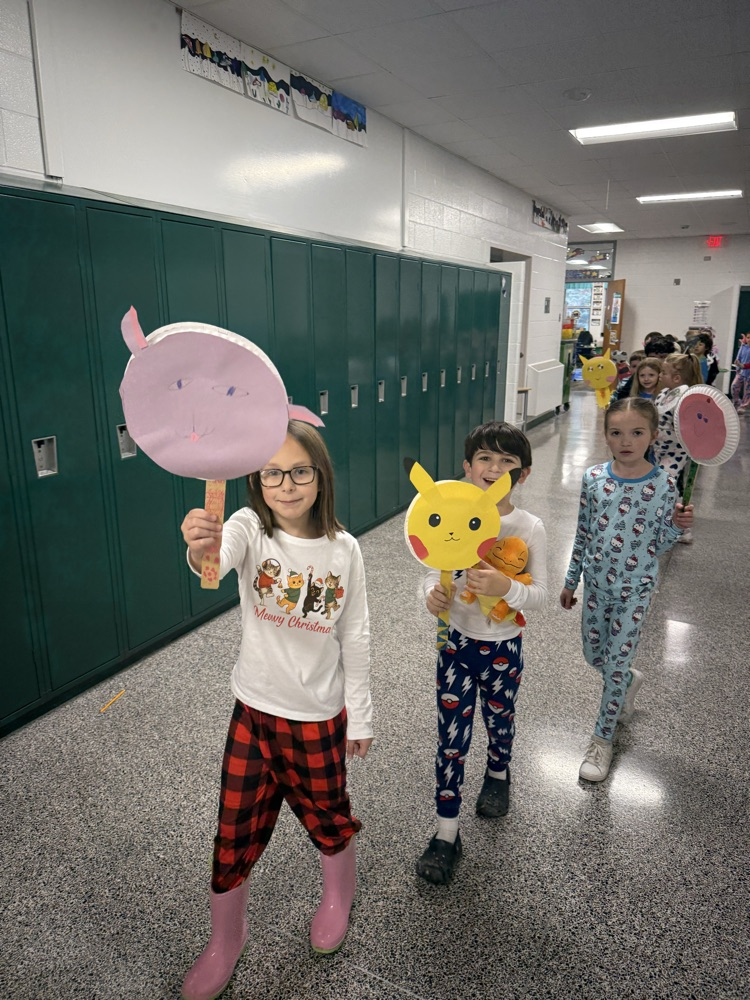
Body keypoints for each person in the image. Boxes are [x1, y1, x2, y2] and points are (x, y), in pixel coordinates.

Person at [179, 419, 373, 1000]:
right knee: (233, 827)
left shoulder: (345, 550)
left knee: (328, 815)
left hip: (318, 716)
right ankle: (225, 939)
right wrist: (200, 547)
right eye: (272, 473)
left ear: (320, 477)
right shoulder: (247, 529)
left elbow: (356, 635)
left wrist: (359, 714)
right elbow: (213, 571)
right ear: (256, 481)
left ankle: (339, 894)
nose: (285, 485)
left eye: (299, 471)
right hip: (254, 713)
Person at [416, 421, 547, 885]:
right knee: (451, 739)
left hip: (503, 648)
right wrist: (431, 594)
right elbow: (432, 574)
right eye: (485, 460)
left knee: (500, 717)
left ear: (523, 474)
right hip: (454, 645)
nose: (494, 469)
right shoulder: (452, 517)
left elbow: (541, 595)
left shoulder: (528, 528)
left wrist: (506, 586)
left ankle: (498, 771)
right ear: (466, 468)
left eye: (507, 462)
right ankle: (446, 833)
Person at [560, 398, 694, 782]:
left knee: (614, 666)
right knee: (593, 655)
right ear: (605, 435)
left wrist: (678, 524)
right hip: (596, 586)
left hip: (635, 591)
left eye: (637, 433)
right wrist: (572, 580)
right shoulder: (594, 478)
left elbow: (661, 542)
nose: (626, 441)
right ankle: (627, 680)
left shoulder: (664, 485)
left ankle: (602, 740)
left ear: (653, 436)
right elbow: (583, 532)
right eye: (616, 433)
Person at [731, 333, 750, 413]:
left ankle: (744, 406)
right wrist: (738, 365)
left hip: (749, 374)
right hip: (741, 372)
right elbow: (738, 358)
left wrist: (743, 365)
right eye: (748, 337)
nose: (749, 339)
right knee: (734, 386)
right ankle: (736, 401)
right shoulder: (743, 347)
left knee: (747, 391)